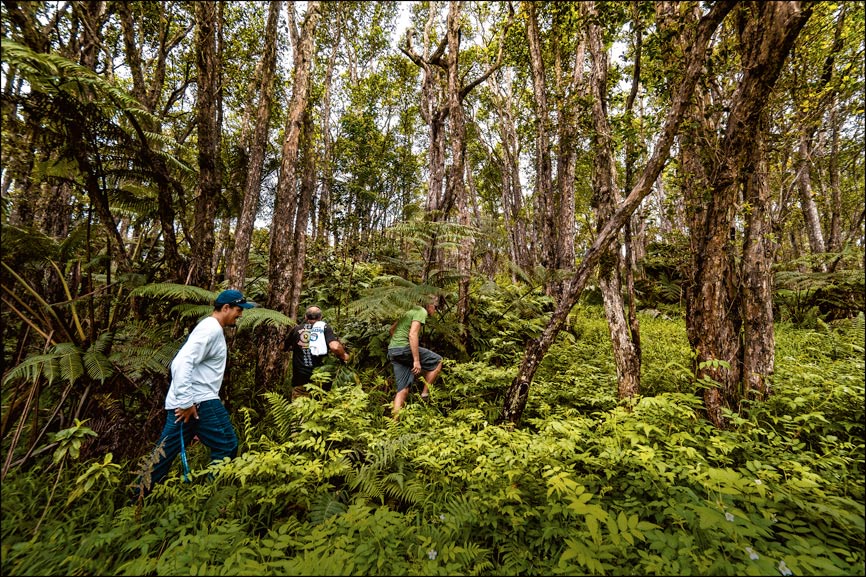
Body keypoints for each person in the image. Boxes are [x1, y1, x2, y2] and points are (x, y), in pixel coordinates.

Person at [134, 289, 254, 498]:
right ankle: (210, 498)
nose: (240, 314)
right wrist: (187, 401)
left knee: (163, 454)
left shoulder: (210, 328)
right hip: (199, 401)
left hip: (190, 403)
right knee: (227, 445)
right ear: (225, 308)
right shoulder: (211, 329)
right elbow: (181, 363)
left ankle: (137, 499)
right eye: (238, 310)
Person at [387, 294, 443, 417]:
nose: (435, 310)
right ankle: (424, 394)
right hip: (404, 349)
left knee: (402, 390)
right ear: (429, 305)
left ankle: (393, 426)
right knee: (438, 361)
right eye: (435, 307)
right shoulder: (421, 311)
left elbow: (391, 330)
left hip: (393, 350)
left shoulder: (408, 310)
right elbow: (413, 335)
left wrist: (398, 345)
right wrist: (416, 360)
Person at [288, 306, 350, 398]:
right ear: (320, 317)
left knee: (299, 409)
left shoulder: (296, 329)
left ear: (305, 317)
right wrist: (344, 356)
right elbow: (335, 347)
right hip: (320, 378)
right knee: (321, 408)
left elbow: (283, 347)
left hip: (300, 380)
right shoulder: (324, 328)